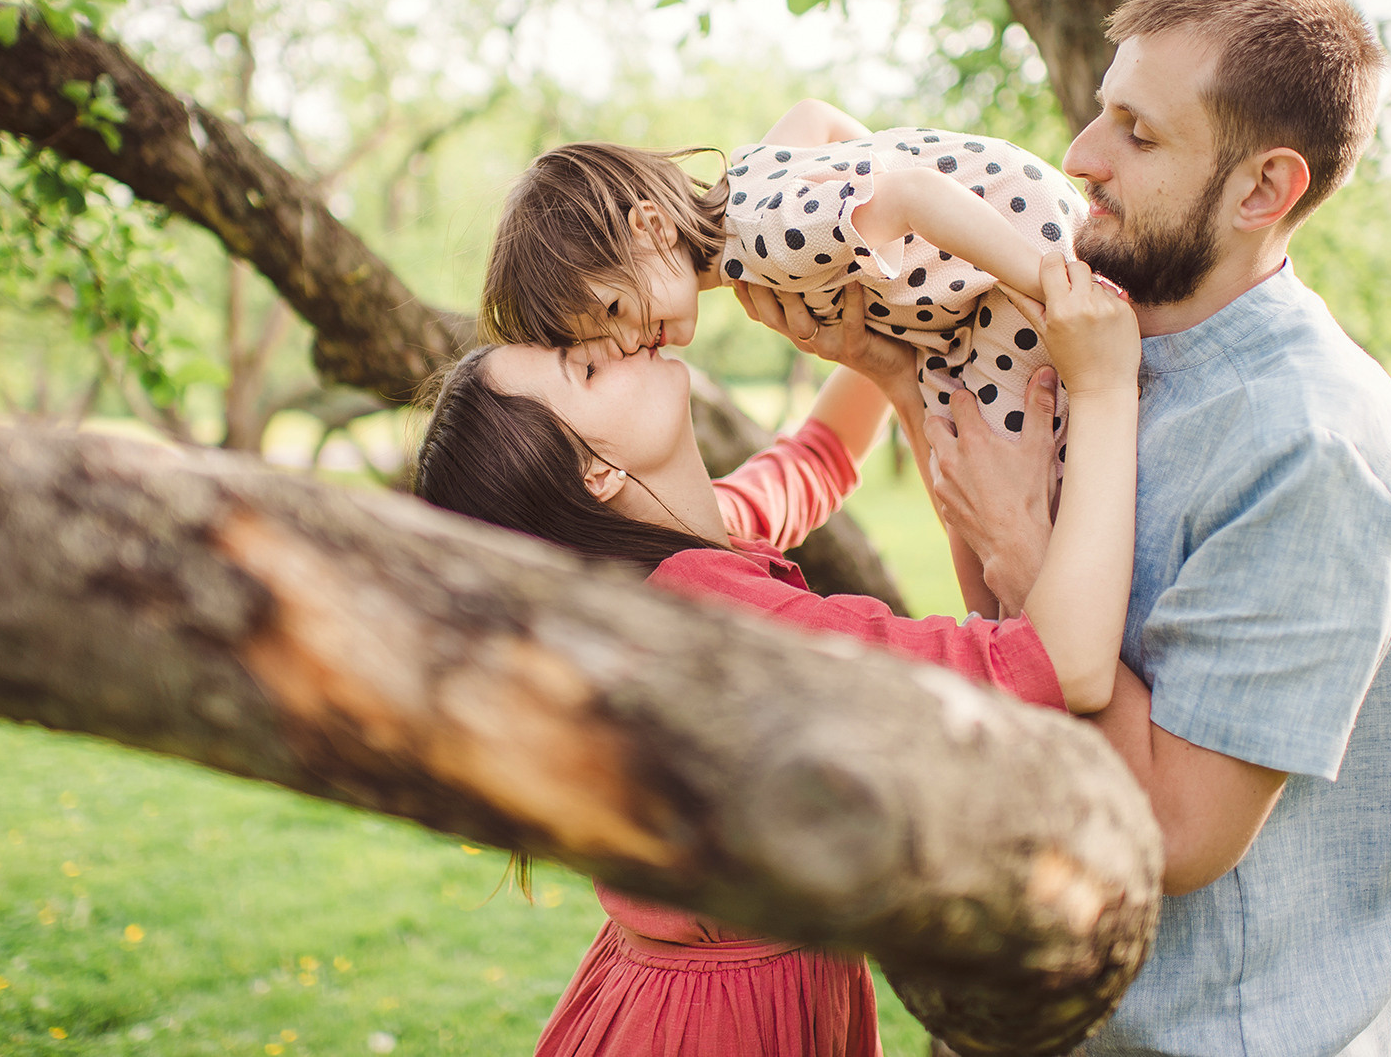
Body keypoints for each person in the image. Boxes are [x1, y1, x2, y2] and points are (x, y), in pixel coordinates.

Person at [412, 261, 1141, 1057]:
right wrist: (1104, 388)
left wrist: (881, 322)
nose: (616, 337)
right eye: (585, 365)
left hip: (672, 995)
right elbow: (1064, 663)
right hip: (722, 1029)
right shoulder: (702, 623)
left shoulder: (671, 557)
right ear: (595, 470)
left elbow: (816, 460)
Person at [917, 0, 1391, 1057]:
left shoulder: (1305, 443)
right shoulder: (1112, 352)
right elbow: (1014, 656)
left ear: (1262, 190)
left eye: (1136, 135)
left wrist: (1023, 545)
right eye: (1101, 109)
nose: (1078, 156)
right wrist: (899, 380)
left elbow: (1177, 831)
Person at [479, 102, 1081, 617]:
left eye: (614, 310)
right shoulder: (751, 182)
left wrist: (1048, 290)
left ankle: (999, 624)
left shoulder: (767, 238)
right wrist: (870, 168)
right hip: (994, 264)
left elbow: (915, 193)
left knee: (986, 479)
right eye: (599, 350)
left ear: (651, 226)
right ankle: (999, 623)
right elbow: (813, 117)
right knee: (963, 457)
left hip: (1013, 282)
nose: (631, 341)